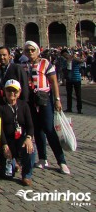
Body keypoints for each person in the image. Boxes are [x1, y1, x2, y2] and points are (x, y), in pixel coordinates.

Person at [23, 41, 70, 174]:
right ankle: (43, 159)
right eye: (27, 50)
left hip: (44, 98)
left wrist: (57, 99)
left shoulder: (45, 63)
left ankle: (61, 161)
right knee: (37, 130)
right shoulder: (23, 65)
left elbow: (54, 82)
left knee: (49, 129)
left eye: (32, 50)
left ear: (38, 50)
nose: (30, 52)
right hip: (31, 100)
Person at [0, 80, 35, 187]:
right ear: (4, 91)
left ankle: (27, 175)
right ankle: (10, 162)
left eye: (14, 91)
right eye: (9, 90)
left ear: (19, 92)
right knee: (7, 175)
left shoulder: (24, 105)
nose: (12, 93)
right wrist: (4, 145)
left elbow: (30, 126)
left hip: (20, 139)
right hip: (6, 141)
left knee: (30, 149)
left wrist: (29, 138)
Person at [61, 49, 83, 114]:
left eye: (66, 54)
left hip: (77, 79)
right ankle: (69, 108)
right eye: (63, 55)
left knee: (78, 95)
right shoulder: (65, 61)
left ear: (68, 53)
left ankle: (79, 109)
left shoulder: (75, 60)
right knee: (69, 94)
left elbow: (81, 61)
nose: (65, 56)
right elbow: (64, 69)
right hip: (69, 80)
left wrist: (73, 57)